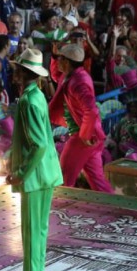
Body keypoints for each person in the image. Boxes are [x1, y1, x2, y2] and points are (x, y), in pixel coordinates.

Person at [7, 48, 62, 271]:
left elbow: (38, 144)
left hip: (35, 175)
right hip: (45, 172)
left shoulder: (28, 101)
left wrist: (20, 172)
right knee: (38, 228)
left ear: (22, 72)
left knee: (31, 229)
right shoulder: (37, 95)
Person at [48, 42, 112, 193]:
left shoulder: (79, 82)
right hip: (91, 137)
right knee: (99, 184)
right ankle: (114, 211)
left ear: (67, 62)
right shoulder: (70, 75)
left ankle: (58, 213)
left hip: (83, 137)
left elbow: (91, 110)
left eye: (60, 59)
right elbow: (55, 75)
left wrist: (84, 135)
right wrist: (54, 56)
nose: (58, 61)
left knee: (63, 180)